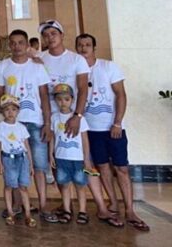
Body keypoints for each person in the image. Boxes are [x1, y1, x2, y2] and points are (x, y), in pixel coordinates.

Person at [75, 33, 147, 231]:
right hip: (91, 129)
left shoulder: (108, 67)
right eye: (80, 45)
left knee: (122, 168)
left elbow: (121, 94)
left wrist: (117, 122)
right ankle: (113, 203)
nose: (83, 48)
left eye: (87, 44)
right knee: (102, 167)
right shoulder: (77, 71)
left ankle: (130, 210)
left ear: (94, 47)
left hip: (112, 127)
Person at [0, 30, 55, 223]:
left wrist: (48, 123)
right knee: (13, 164)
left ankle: (43, 204)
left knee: (40, 165)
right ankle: (17, 204)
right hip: (11, 123)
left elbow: (44, 96)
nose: (17, 46)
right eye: (13, 43)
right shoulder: (3, 66)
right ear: (9, 45)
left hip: (35, 121)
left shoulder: (37, 67)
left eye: (21, 42)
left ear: (27, 45)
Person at [49, 83, 92, 224]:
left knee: (80, 185)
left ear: (72, 100)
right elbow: (53, 138)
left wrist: (86, 159)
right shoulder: (54, 118)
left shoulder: (80, 119)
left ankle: (82, 211)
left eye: (66, 99)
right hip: (61, 158)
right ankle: (67, 210)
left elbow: (85, 140)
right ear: (55, 101)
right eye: (59, 99)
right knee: (64, 185)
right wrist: (51, 154)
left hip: (78, 159)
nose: (63, 102)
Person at [0, 95, 36, 227]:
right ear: (2, 112)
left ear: (18, 111)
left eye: (13, 109)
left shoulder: (21, 127)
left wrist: (31, 164)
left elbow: (27, 146)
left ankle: (28, 214)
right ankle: (10, 213)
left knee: (23, 187)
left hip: (22, 158)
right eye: (7, 110)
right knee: (9, 186)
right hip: (8, 159)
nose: (10, 112)